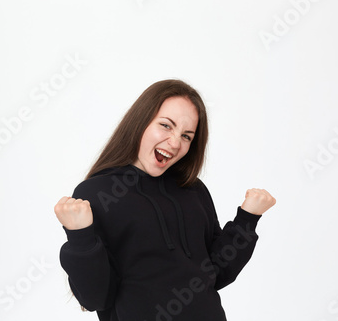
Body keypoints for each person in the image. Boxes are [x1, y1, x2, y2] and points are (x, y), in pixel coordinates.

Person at [54, 79, 276, 321]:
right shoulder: (97, 192)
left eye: (187, 136)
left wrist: (247, 219)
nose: (175, 143)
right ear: (141, 122)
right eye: (166, 126)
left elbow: (218, 272)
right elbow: (96, 298)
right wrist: (80, 237)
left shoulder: (193, 189)